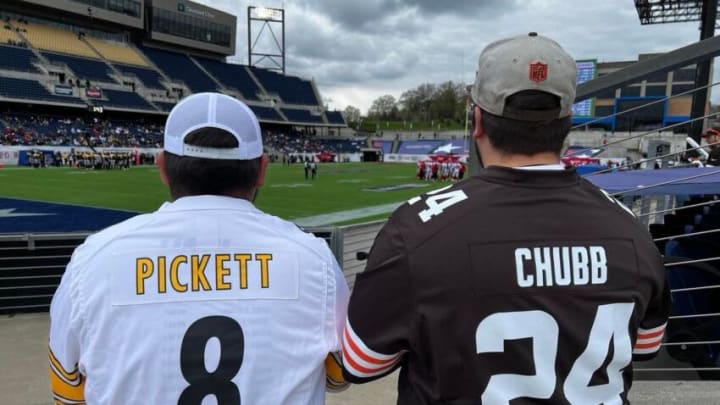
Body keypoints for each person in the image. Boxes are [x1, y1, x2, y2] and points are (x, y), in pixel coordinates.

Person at [341, 33, 670, 404]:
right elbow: (646, 346)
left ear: (477, 120)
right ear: (566, 121)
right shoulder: (630, 229)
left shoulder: (416, 229)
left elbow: (360, 362)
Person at [49, 93, 349, 404]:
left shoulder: (94, 259)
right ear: (261, 170)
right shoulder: (313, 259)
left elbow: (67, 390)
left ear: (162, 167)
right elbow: (340, 375)